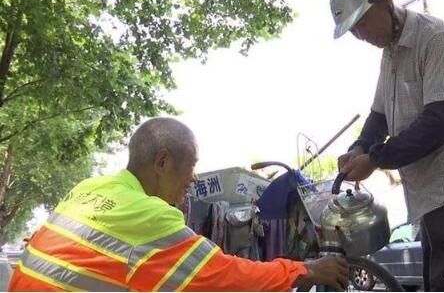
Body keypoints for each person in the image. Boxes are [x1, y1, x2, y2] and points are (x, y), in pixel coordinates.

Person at [8, 117, 348, 291]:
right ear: (162, 162)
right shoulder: (150, 216)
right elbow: (224, 278)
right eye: (191, 164)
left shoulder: (88, 188)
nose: (194, 178)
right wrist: (307, 270)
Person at [330, 0, 444, 291]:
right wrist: (360, 147)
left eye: (363, 23)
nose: (362, 35)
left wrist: (375, 159)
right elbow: (380, 115)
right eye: (354, 31)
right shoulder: (390, 54)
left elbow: (439, 123)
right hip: (426, 197)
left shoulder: (437, 38)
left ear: (387, 0)